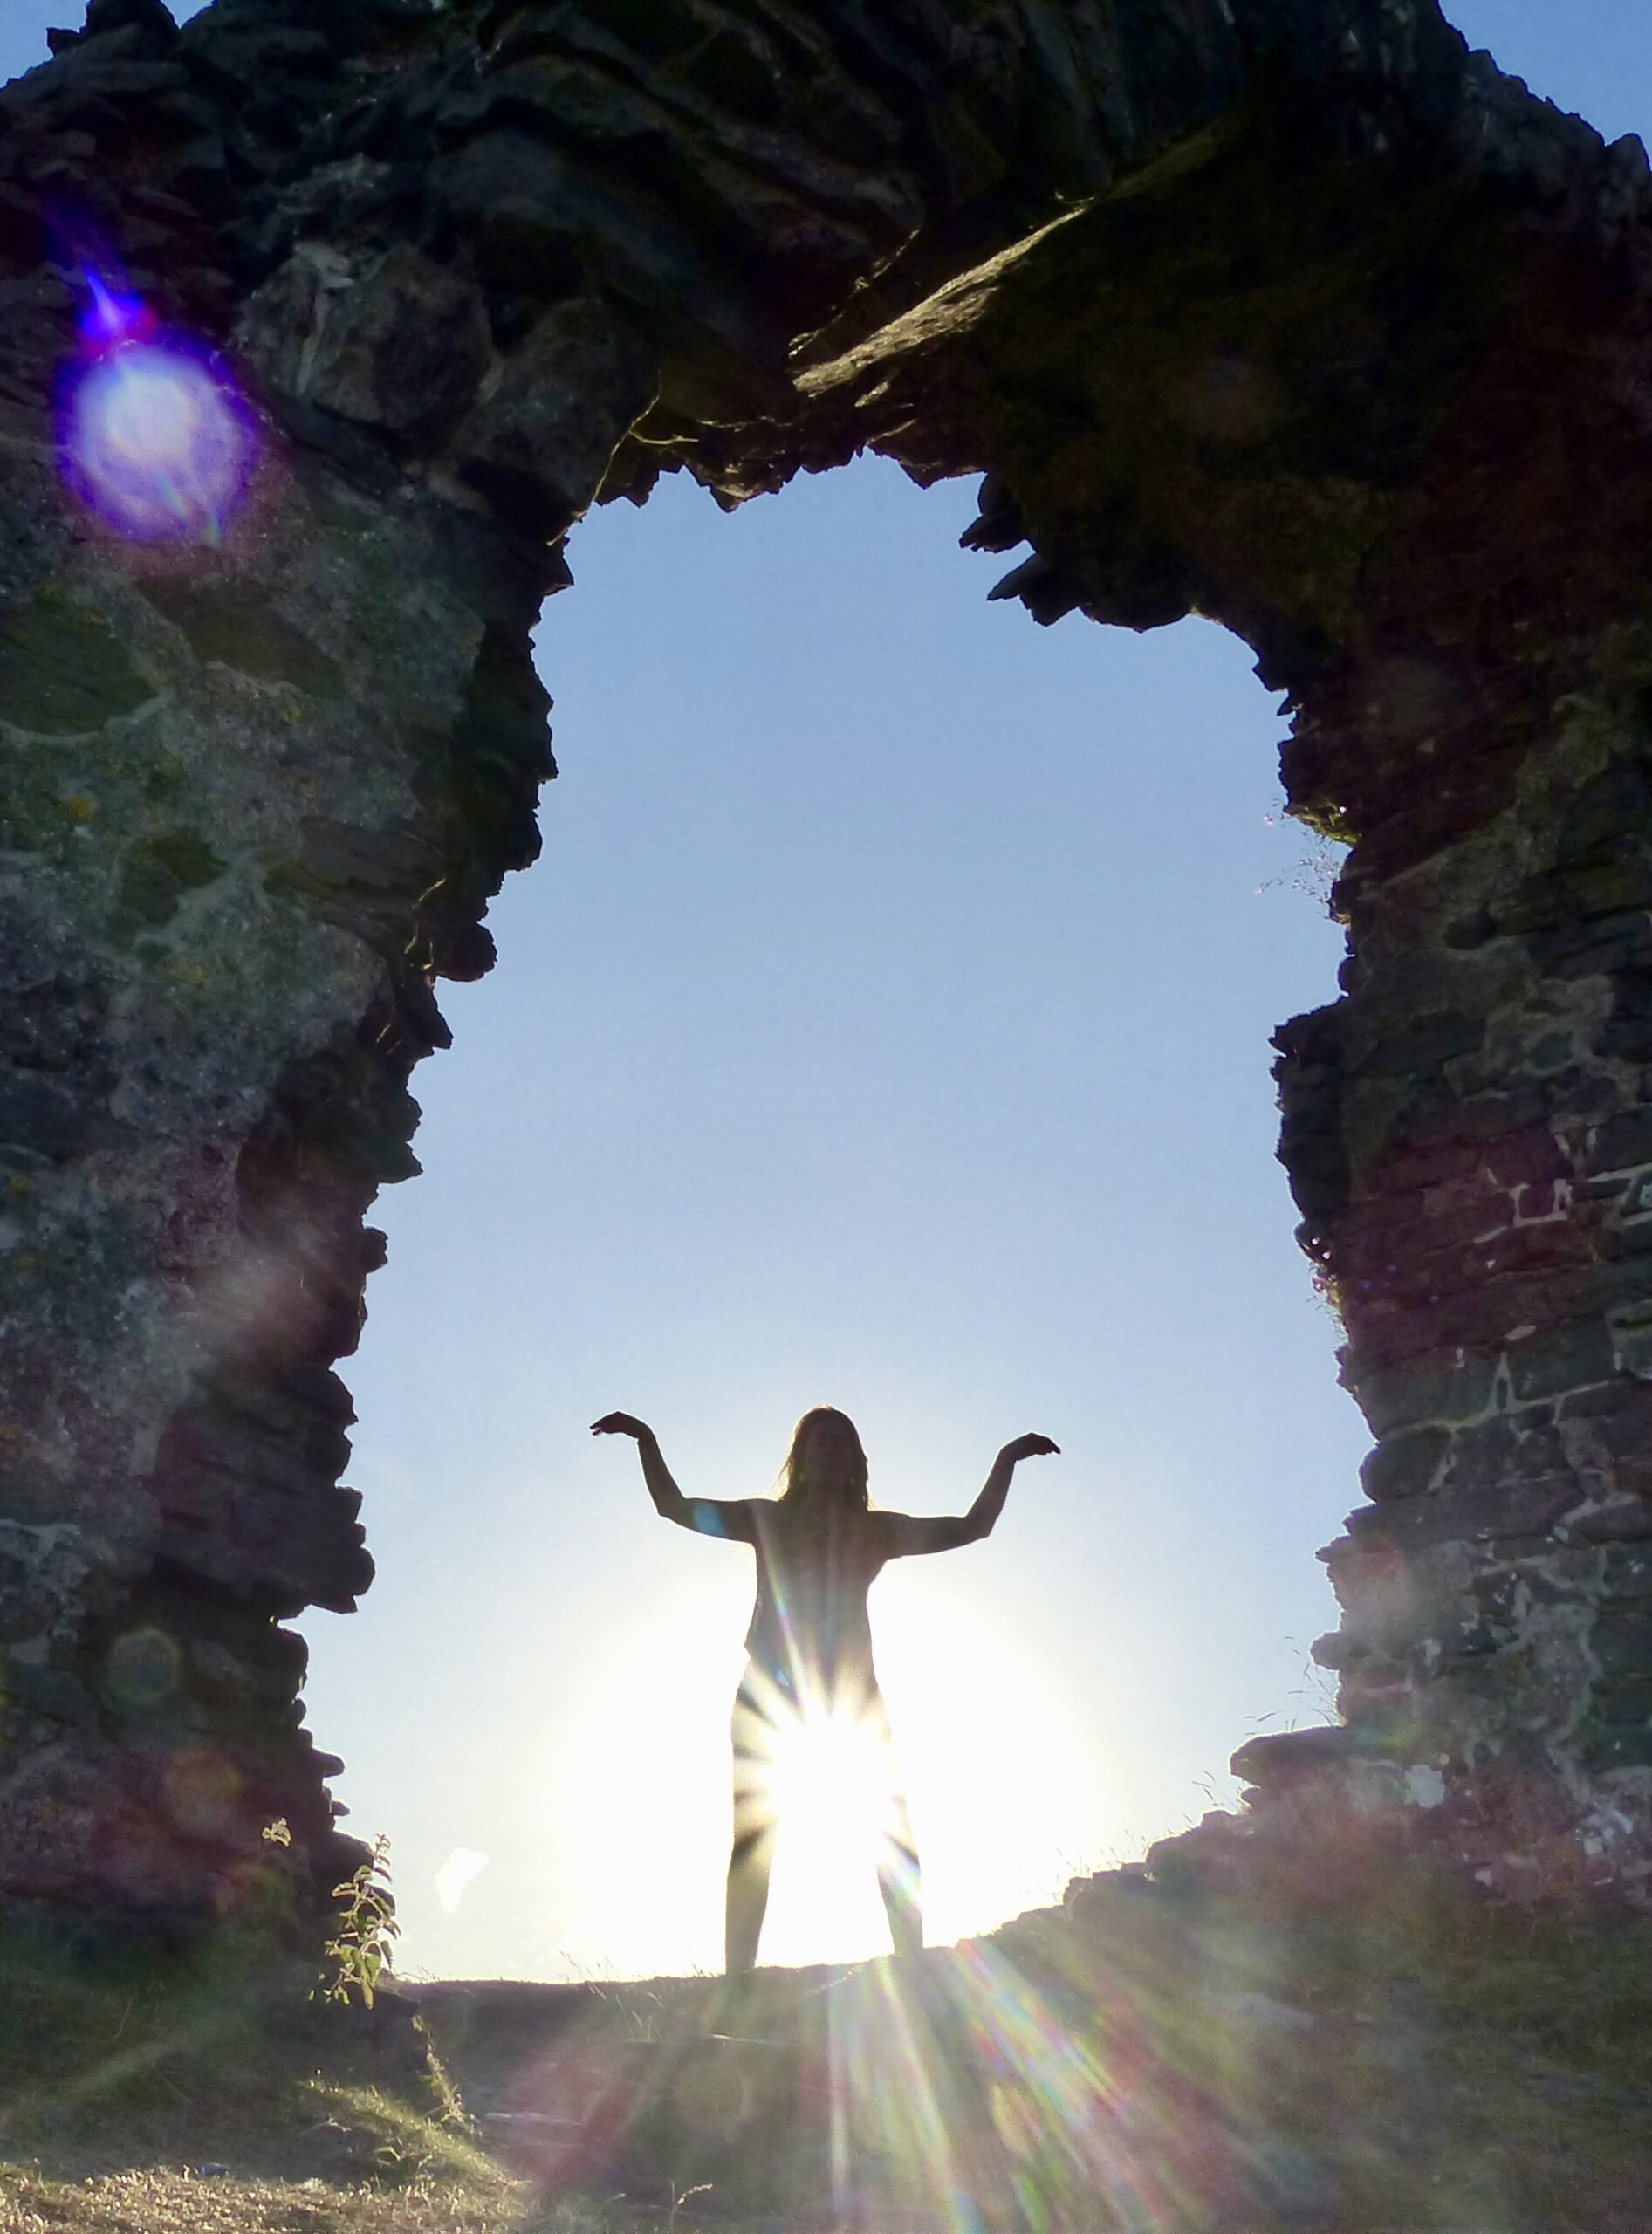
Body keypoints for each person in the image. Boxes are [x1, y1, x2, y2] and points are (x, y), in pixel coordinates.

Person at [590, 1404, 1059, 1974]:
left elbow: (972, 1526)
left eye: (842, 1442)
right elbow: (674, 1506)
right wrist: (645, 1438)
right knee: (753, 1842)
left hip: (852, 1699)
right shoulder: (766, 1520)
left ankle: (912, 1965)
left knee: (892, 1833)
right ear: (802, 1459)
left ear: (857, 1461)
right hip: (768, 1694)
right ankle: (737, 1980)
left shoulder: (877, 1531)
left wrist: (1007, 1459)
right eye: (821, 1442)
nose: (832, 1449)